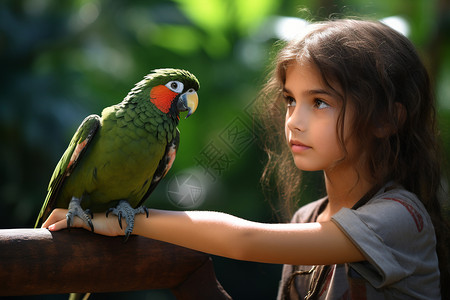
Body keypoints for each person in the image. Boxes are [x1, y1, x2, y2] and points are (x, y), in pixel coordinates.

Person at [43, 18, 449, 299]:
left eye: (320, 102)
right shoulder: (307, 218)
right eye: (290, 100)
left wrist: (120, 221)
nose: (295, 121)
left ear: (386, 120)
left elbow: (244, 239)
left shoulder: (399, 219)